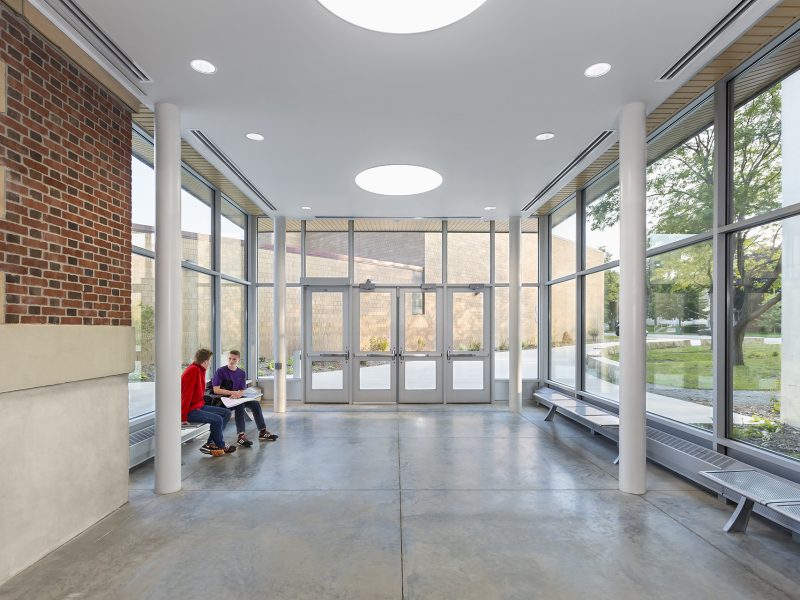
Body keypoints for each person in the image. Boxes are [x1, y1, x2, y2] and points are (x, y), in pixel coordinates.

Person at [213, 349, 279, 447]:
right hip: (223, 400)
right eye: (230, 358)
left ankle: (262, 431)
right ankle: (241, 436)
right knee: (239, 405)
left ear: (238, 360)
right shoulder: (221, 371)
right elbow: (216, 390)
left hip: (236, 398)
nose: (231, 361)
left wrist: (238, 394)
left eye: (234, 359)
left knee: (255, 404)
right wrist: (232, 393)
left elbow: (242, 390)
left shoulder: (241, 373)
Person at [181, 348, 236, 457]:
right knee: (217, 419)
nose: (210, 363)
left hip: (198, 406)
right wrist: (183, 417)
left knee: (226, 413)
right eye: (209, 361)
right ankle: (221, 445)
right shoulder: (193, 371)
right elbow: (186, 395)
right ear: (205, 361)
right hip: (190, 410)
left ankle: (211, 443)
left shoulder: (199, 370)